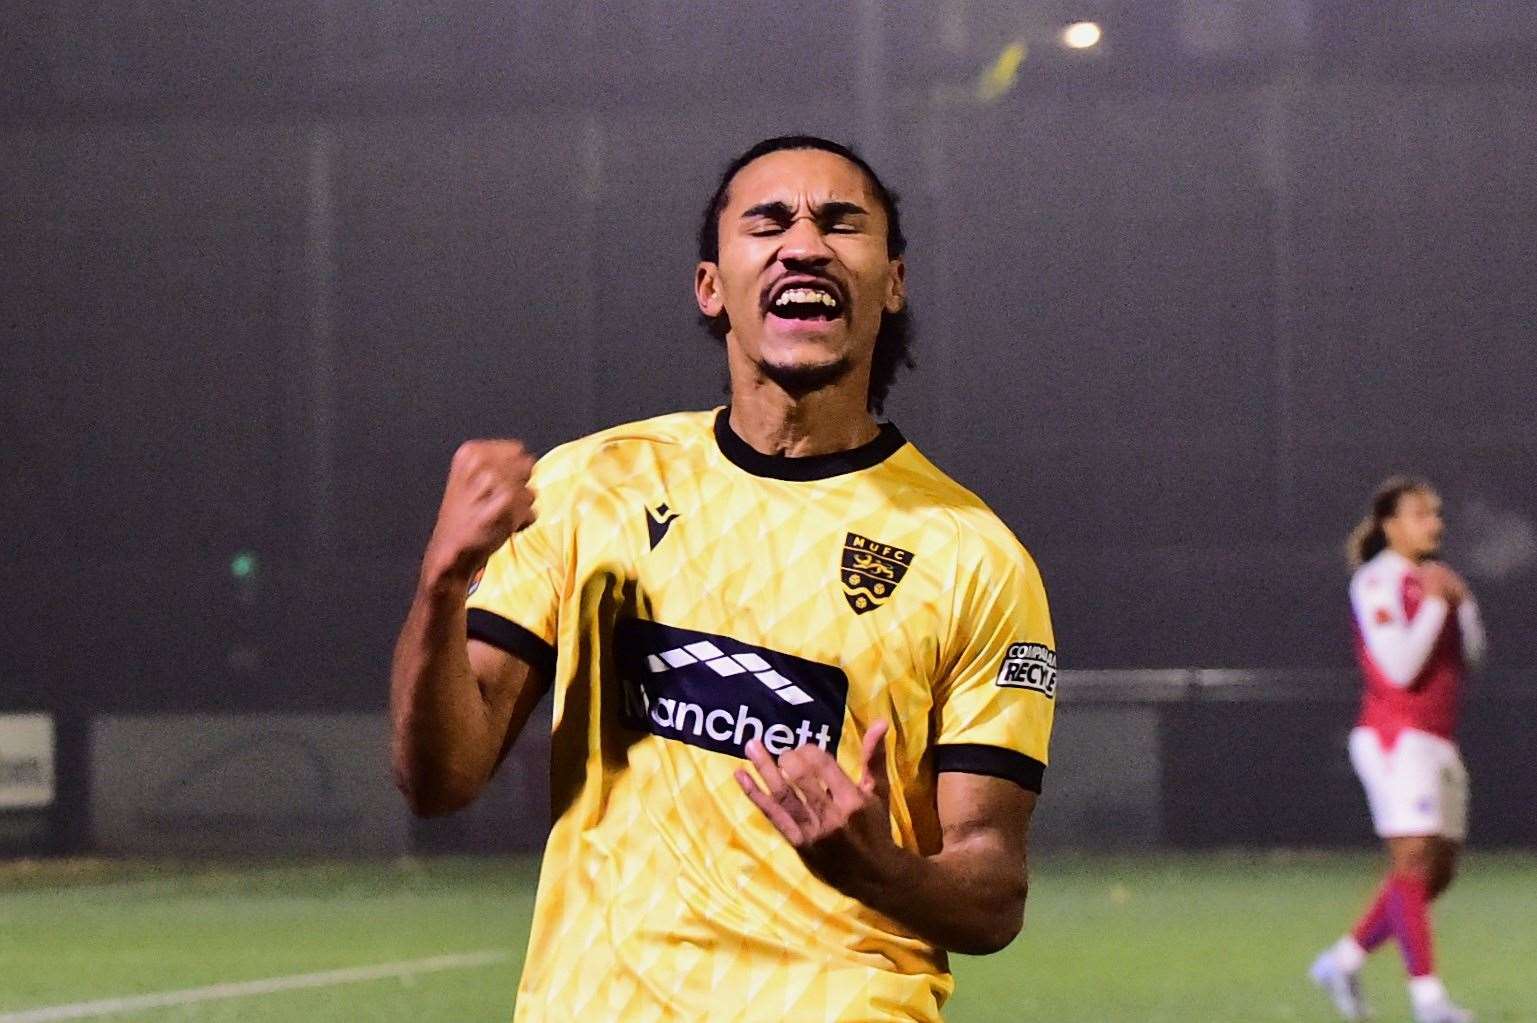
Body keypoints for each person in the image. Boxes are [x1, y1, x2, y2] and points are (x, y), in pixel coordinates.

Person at [389, 135, 1058, 1022]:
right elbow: (439, 778)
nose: (804, 243)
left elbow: (992, 891)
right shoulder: (591, 486)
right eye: (769, 221)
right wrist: (441, 586)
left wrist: (870, 863)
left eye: (841, 223)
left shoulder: (974, 556)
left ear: (891, 283)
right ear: (712, 286)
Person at [1310, 476, 1486, 1023]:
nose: (1434, 523)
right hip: (1396, 736)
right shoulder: (1377, 580)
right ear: (1390, 524)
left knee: (1437, 873)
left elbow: (1472, 656)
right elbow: (1399, 667)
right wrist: (1438, 603)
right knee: (1411, 860)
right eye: (1419, 514)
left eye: (1435, 513)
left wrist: (1463, 603)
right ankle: (1428, 1001)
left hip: (1439, 739)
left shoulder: (1434, 578)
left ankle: (1342, 961)